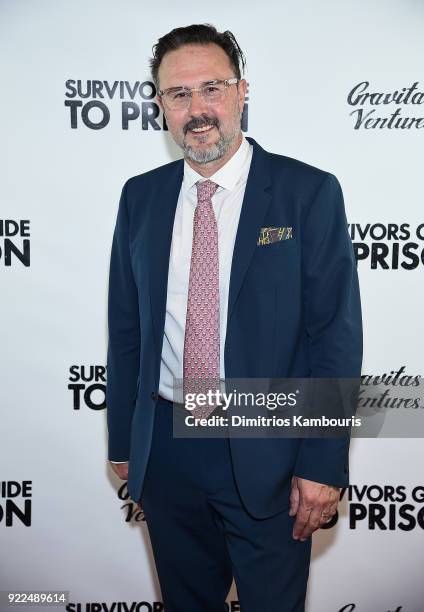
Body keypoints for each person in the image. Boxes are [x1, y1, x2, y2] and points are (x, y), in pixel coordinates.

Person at [106, 23, 362, 612]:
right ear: (161, 105)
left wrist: (322, 461)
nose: (197, 110)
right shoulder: (138, 198)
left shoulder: (308, 192)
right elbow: (126, 331)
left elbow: (334, 338)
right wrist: (124, 437)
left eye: (211, 88)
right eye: (178, 94)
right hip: (167, 451)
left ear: (242, 91)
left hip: (271, 449)